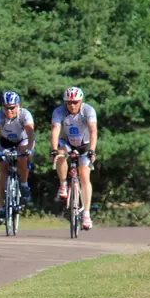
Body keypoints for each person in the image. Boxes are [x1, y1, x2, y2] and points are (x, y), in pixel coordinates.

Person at [50, 86, 97, 230]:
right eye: (69, 102)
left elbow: (93, 131)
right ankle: (63, 183)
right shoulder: (59, 111)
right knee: (60, 152)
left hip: (85, 144)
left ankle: (86, 214)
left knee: (84, 176)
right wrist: (53, 150)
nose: (72, 105)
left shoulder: (88, 110)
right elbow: (55, 130)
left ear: (81, 101)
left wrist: (91, 151)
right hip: (66, 142)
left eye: (75, 102)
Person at [0, 91, 35, 224]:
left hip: (23, 141)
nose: (9, 110)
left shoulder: (25, 114)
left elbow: (30, 132)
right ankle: (1, 208)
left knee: (22, 155)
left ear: (18, 106)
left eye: (12, 107)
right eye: (6, 107)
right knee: (2, 173)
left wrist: (30, 148)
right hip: (6, 142)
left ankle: (23, 184)